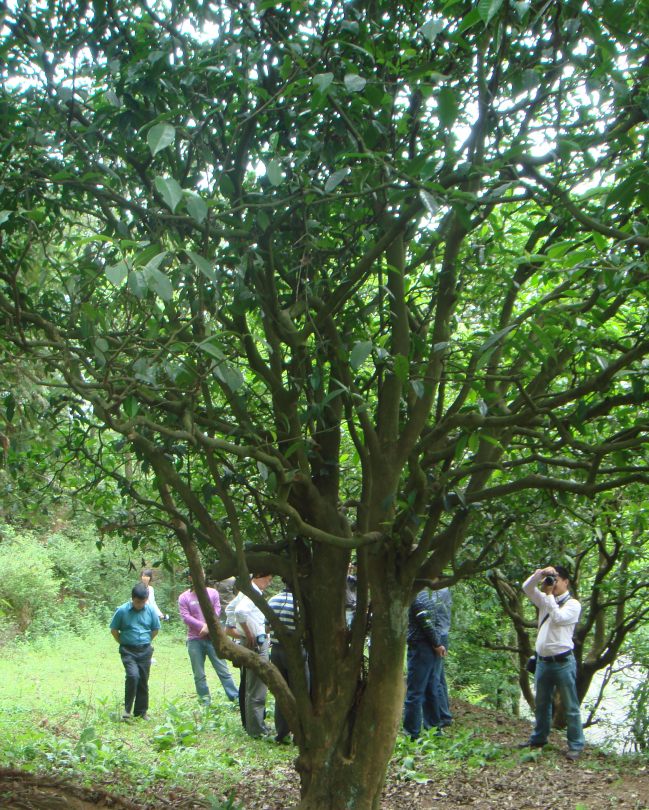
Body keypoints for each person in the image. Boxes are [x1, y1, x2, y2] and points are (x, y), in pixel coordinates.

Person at [519, 565, 584, 760]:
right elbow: (526, 588)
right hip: (543, 662)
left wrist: (548, 595)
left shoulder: (573, 604)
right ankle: (539, 738)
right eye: (551, 579)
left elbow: (558, 617)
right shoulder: (547, 600)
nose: (552, 584)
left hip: (563, 662)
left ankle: (575, 745)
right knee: (542, 703)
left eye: (556, 579)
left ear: (566, 582)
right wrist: (539, 574)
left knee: (570, 706)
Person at [178, 569, 239, 705]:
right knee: (199, 674)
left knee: (223, 670)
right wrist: (203, 626)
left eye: (202, 573)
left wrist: (208, 626)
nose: (201, 576)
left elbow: (217, 610)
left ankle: (235, 698)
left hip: (213, 639)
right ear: (190, 578)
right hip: (194, 640)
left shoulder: (212, 592)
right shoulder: (184, 597)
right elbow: (186, 617)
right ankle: (205, 702)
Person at [109, 582, 160, 720]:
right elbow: (114, 630)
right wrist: (123, 642)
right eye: (138, 602)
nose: (140, 605)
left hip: (145, 650)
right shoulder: (122, 610)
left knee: (143, 679)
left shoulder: (150, 610)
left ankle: (141, 711)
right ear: (132, 598)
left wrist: (146, 641)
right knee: (133, 676)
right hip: (128, 650)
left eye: (143, 602)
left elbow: (155, 629)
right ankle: (127, 710)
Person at [403, 586, 447, 741]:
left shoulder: (416, 596)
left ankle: (412, 733)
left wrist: (436, 644)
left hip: (422, 648)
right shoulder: (427, 595)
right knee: (430, 689)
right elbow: (436, 620)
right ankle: (434, 729)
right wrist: (438, 644)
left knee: (415, 691)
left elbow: (426, 621)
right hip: (431, 647)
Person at [268, 584, 309, 743]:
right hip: (295, 651)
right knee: (301, 693)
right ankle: (301, 735)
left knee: (281, 691)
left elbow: (267, 626)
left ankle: (282, 732)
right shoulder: (300, 604)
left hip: (276, 650)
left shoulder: (273, 600)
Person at [234, 573, 273, 737]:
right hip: (255, 643)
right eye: (268, 579)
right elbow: (239, 611)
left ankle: (256, 726)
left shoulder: (246, 592)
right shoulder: (252, 592)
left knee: (252, 686)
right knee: (257, 687)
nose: (269, 583)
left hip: (256, 640)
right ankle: (256, 729)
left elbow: (231, 610)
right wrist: (248, 632)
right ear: (258, 576)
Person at [428, 578, 453, 728]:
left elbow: (431, 613)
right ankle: (445, 713)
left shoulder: (439, 592)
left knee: (435, 678)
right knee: (440, 676)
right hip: (443, 635)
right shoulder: (444, 590)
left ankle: (443, 716)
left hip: (439, 636)